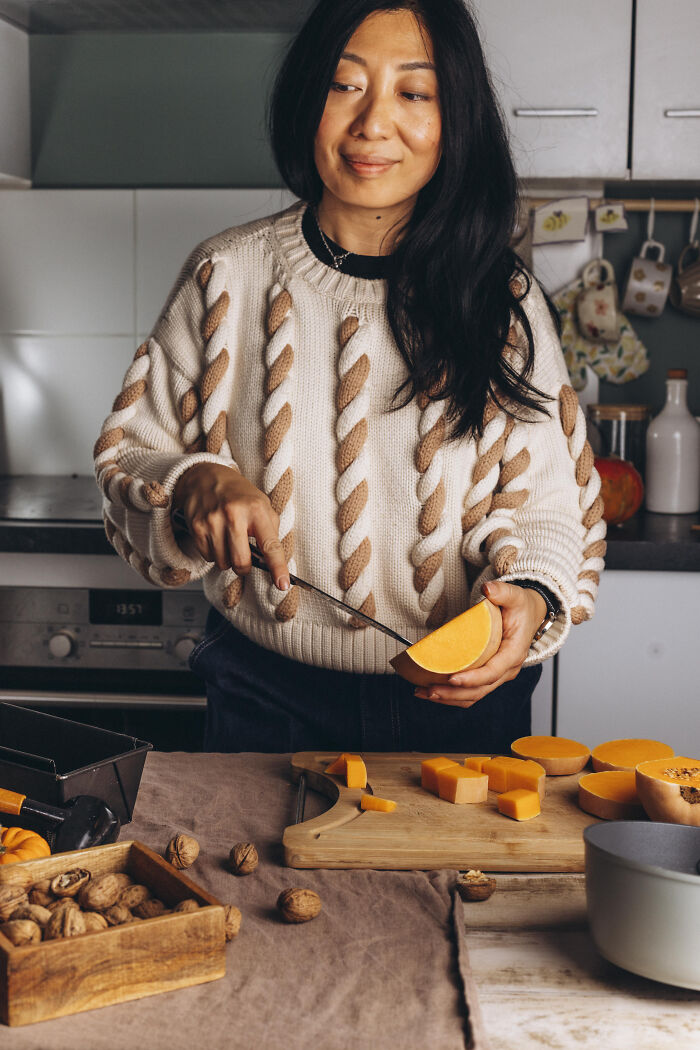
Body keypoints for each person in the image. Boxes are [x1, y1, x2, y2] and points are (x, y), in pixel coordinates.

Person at [94, 0, 605, 754]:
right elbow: (124, 462)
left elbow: (550, 510)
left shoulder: (503, 298)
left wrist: (528, 599)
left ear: (454, 118)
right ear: (307, 99)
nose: (372, 124)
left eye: (414, 92)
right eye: (344, 85)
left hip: (464, 704)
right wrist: (191, 484)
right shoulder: (224, 275)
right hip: (263, 696)